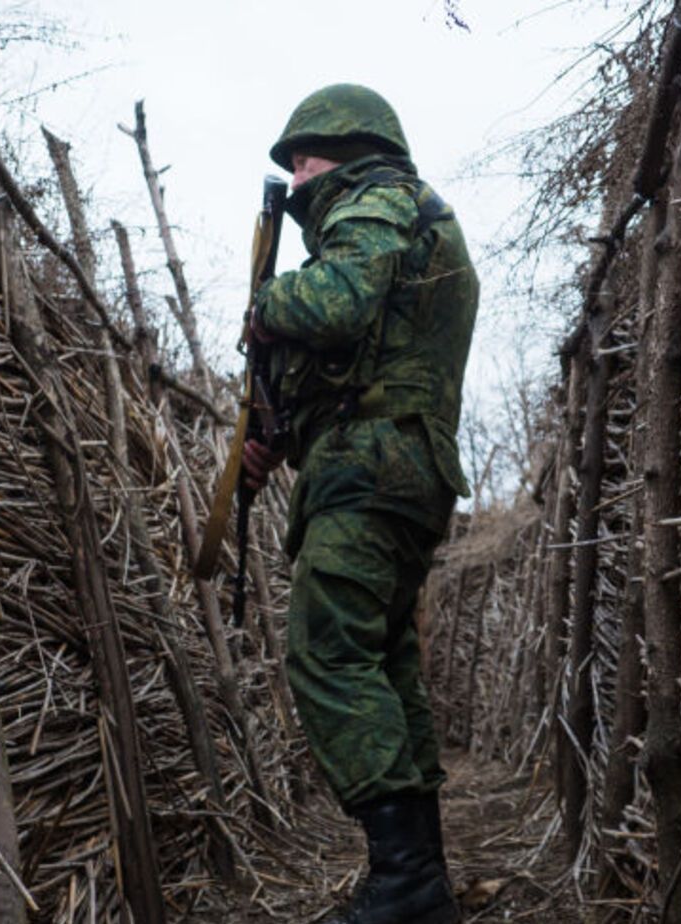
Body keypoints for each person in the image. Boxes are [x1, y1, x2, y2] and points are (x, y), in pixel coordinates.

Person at [243, 83, 478, 924]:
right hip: (398, 472)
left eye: (301, 158)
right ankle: (420, 882)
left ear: (343, 149)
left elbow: (339, 303)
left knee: (328, 651)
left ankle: (407, 884)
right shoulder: (411, 218)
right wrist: (282, 427)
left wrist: (265, 306)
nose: (295, 177)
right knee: (382, 659)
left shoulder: (377, 199)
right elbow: (367, 361)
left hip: (374, 472)